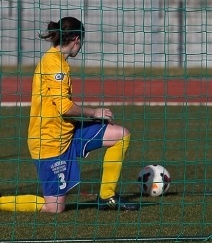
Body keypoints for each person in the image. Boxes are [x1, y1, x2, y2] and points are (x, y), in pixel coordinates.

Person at [0, 16, 138, 213]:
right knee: (54, 208)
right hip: (48, 142)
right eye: (81, 41)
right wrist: (94, 113)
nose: (80, 46)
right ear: (76, 39)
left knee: (121, 135)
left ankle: (107, 197)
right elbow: (64, 108)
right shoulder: (54, 65)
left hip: (69, 132)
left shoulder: (60, 63)